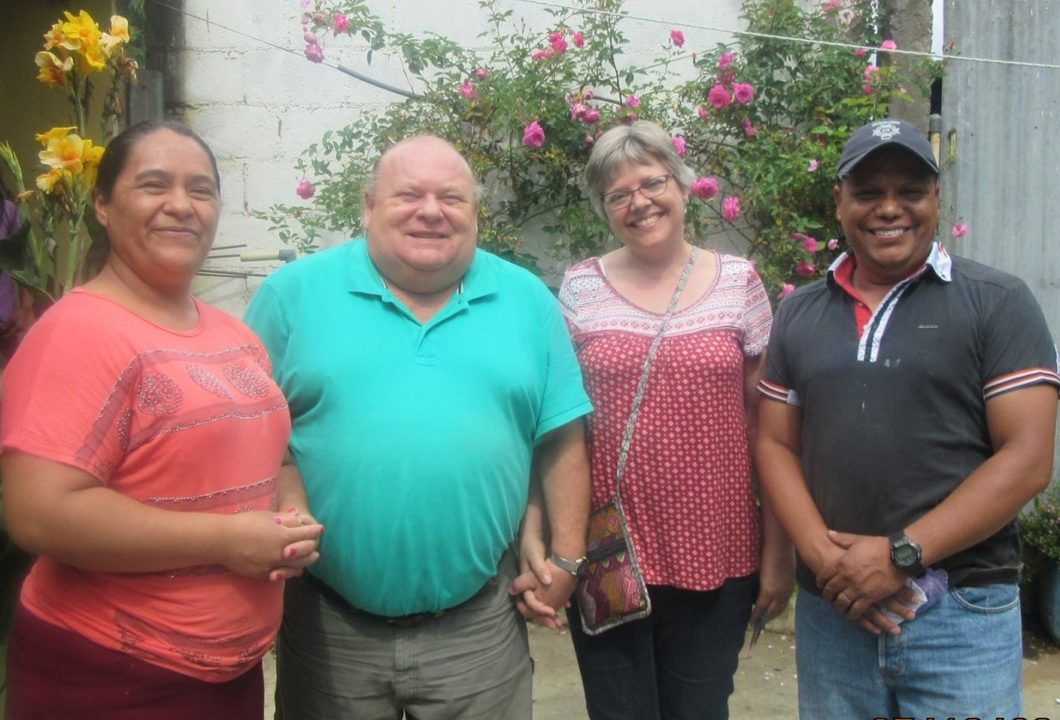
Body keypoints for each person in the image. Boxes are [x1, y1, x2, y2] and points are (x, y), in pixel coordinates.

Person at [244, 134, 593, 720]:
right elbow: (247, 436)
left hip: (478, 630)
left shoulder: (527, 300)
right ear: (368, 207)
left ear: (475, 213)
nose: (431, 211)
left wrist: (567, 560)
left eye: (451, 198)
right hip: (330, 631)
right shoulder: (291, 297)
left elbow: (561, 437)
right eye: (408, 195)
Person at [0, 121, 323, 719]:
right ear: (102, 204)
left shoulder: (232, 334)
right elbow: (39, 512)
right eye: (154, 185)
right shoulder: (79, 332)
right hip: (109, 671)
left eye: (201, 190)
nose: (181, 205)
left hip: (227, 676)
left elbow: (275, 458)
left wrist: (291, 514)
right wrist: (228, 541)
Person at [755, 118, 1060, 719]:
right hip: (833, 613)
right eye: (868, 192)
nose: (889, 209)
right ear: (839, 201)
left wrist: (900, 556)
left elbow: (1027, 460)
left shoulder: (997, 302)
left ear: (937, 199)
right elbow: (774, 443)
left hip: (960, 614)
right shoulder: (799, 314)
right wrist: (826, 561)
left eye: (910, 192)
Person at [545, 120, 794, 720]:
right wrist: (554, 546)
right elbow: (559, 427)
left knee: (699, 710)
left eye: (652, 183)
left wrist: (779, 552)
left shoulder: (738, 282)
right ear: (605, 209)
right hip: (609, 551)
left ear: (683, 186)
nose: (639, 203)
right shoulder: (580, 287)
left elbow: (769, 430)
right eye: (618, 194)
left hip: (718, 548)